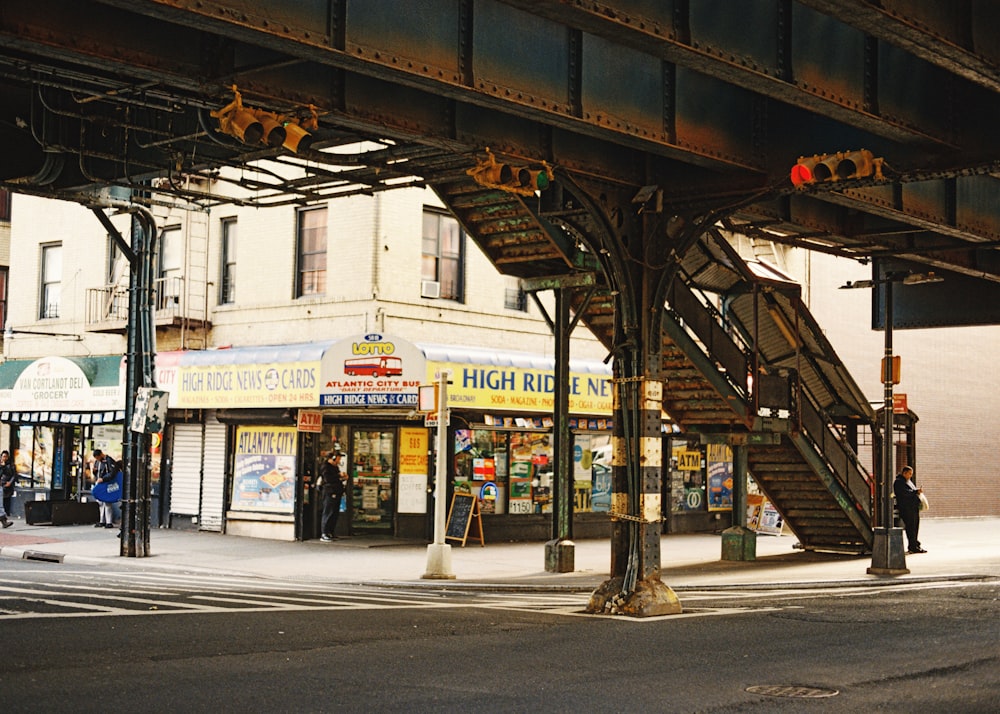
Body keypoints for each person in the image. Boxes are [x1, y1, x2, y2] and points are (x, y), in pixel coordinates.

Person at [893, 465, 926, 554]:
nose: (910, 475)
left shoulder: (908, 481)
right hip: (907, 508)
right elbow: (904, 494)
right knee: (911, 527)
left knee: (915, 526)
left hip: (913, 508)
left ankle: (915, 544)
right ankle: (912, 546)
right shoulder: (899, 482)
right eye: (909, 474)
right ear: (904, 473)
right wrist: (915, 492)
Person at [319, 451, 346, 542]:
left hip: (336, 491)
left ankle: (330, 532)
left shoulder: (335, 467)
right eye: (338, 458)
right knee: (328, 512)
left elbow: (336, 479)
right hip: (329, 492)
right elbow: (328, 479)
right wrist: (338, 476)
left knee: (334, 513)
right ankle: (324, 533)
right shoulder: (326, 467)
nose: (339, 460)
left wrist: (342, 478)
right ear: (333, 458)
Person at [91, 449, 120, 530]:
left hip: (105, 482)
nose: (97, 460)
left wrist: (103, 479)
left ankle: (108, 522)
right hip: (100, 482)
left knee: (107, 503)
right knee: (101, 503)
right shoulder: (98, 462)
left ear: (100, 455)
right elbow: (97, 472)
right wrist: (94, 472)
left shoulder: (108, 460)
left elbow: (112, 472)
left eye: (97, 457)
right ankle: (102, 520)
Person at [0, 450, 16, 520]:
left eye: (6, 457)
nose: (4, 458)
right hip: (1, 483)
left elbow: (12, 474)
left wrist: (10, 482)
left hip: (6, 484)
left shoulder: (10, 465)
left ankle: (4, 517)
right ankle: (3, 519)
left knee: (4, 501)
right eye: (3, 456)